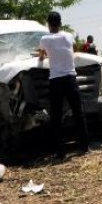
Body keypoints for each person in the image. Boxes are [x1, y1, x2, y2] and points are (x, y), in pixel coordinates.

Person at [38, 12, 89, 158]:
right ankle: (84, 147)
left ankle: (60, 152)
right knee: (78, 112)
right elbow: (69, 50)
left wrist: (43, 55)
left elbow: (42, 56)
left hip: (56, 80)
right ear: (60, 23)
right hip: (71, 79)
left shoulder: (44, 39)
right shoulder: (68, 36)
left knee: (57, 116)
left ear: (48, 24)